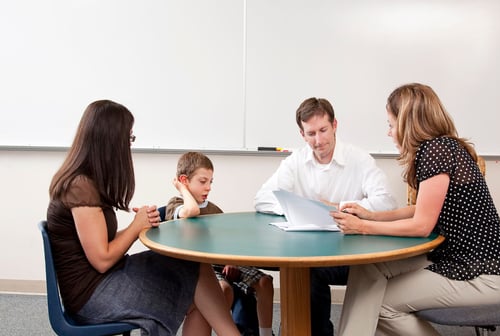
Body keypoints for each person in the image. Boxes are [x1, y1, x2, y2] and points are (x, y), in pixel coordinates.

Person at [331, 83, 500, 336]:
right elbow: (422, 209)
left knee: (381, 305)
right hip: (456, 260)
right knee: (369, 268)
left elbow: (421, 225)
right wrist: (372, 215)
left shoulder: (436, 151)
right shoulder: (444, 147)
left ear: (408, 123)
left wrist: (363, 227)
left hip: (480, 275)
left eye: (391, 125)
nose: (389, 132)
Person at [46, 100, 240, 336]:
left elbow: (98, 243)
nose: (129, 144)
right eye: (129, 138)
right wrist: (136, 227)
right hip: (93, 296)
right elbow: (102, 259)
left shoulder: (85, 182)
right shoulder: (80, 187)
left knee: (196, 275)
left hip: (104, 280)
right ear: (111, 139)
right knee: (195, 280)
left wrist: (138, 226)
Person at [254, 97, 397, 336]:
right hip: (309, 252)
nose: (318, 141)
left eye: (323, 130)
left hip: (353, 253)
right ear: (302, 134)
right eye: (311, 134)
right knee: (305, 270)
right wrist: (299, 207)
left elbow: (386, 202)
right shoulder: (296, 161)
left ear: (335, 125)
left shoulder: (358, 159)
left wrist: (337, 207)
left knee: (310, 271)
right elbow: (262, 199)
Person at [165, 151, 275, 336]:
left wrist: (229, 260)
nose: (208, 187)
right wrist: (182, 190)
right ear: (184, 180)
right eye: (203, 181)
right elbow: (191, 210)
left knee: (265, 282)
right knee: (223, 289)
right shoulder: (176, 205)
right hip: (199, 269)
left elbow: (228, 239)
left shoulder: (213, 208)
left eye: (210, 182)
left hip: (221, 262)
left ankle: (265, 333)